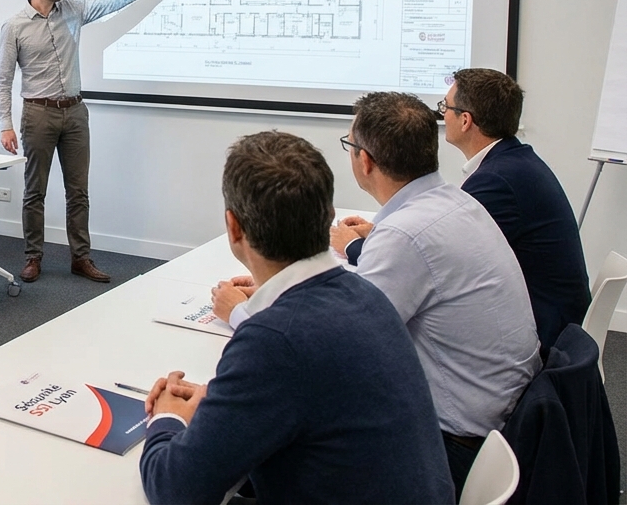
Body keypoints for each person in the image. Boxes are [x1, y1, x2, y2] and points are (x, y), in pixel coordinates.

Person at [212, 92, 538, 497]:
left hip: (451, 445)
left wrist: (242, 312)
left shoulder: (404, 234)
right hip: (502, 418)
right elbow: (352, 307)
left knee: (272, 430)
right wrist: (276, 286)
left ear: (364, 161)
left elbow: (336, 349)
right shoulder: (456, 201)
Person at [140, 131, 452, 504]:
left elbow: (175, 490)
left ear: (233, 227)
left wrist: (168, 417)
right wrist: (223, 404)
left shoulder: (274, 339)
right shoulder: (366, 294)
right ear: (329, 216)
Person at [0, 0, 184, 283]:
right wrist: (5, 124)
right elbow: (2, 79)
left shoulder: (73, 11)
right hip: (38, 114)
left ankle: (81, 258)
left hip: (75, 113)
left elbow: (114, 0)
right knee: (34, 191)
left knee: (78, 192)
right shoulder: (14, 26)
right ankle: (33, 257)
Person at [442, 67, 591, 350]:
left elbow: (443, 256)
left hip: (545, 332)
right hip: (557, 316)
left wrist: (359, 247)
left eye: (445, 107)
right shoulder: (514, 161)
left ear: (465, 120)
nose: (442, 114)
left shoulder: (497, 180)